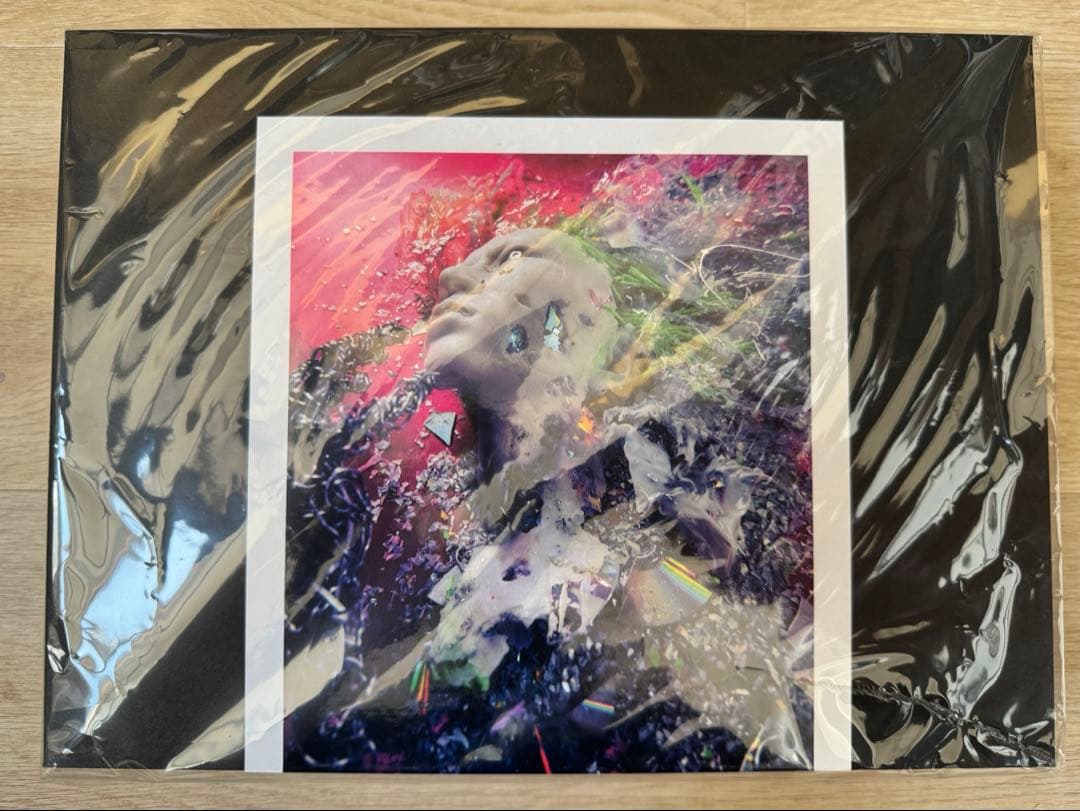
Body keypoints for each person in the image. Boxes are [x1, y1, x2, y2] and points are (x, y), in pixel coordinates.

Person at [286, 226, 816, 772]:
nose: (452, 277)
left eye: (510, 258)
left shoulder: (661, 514)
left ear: (615, 346)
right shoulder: (403, 466)